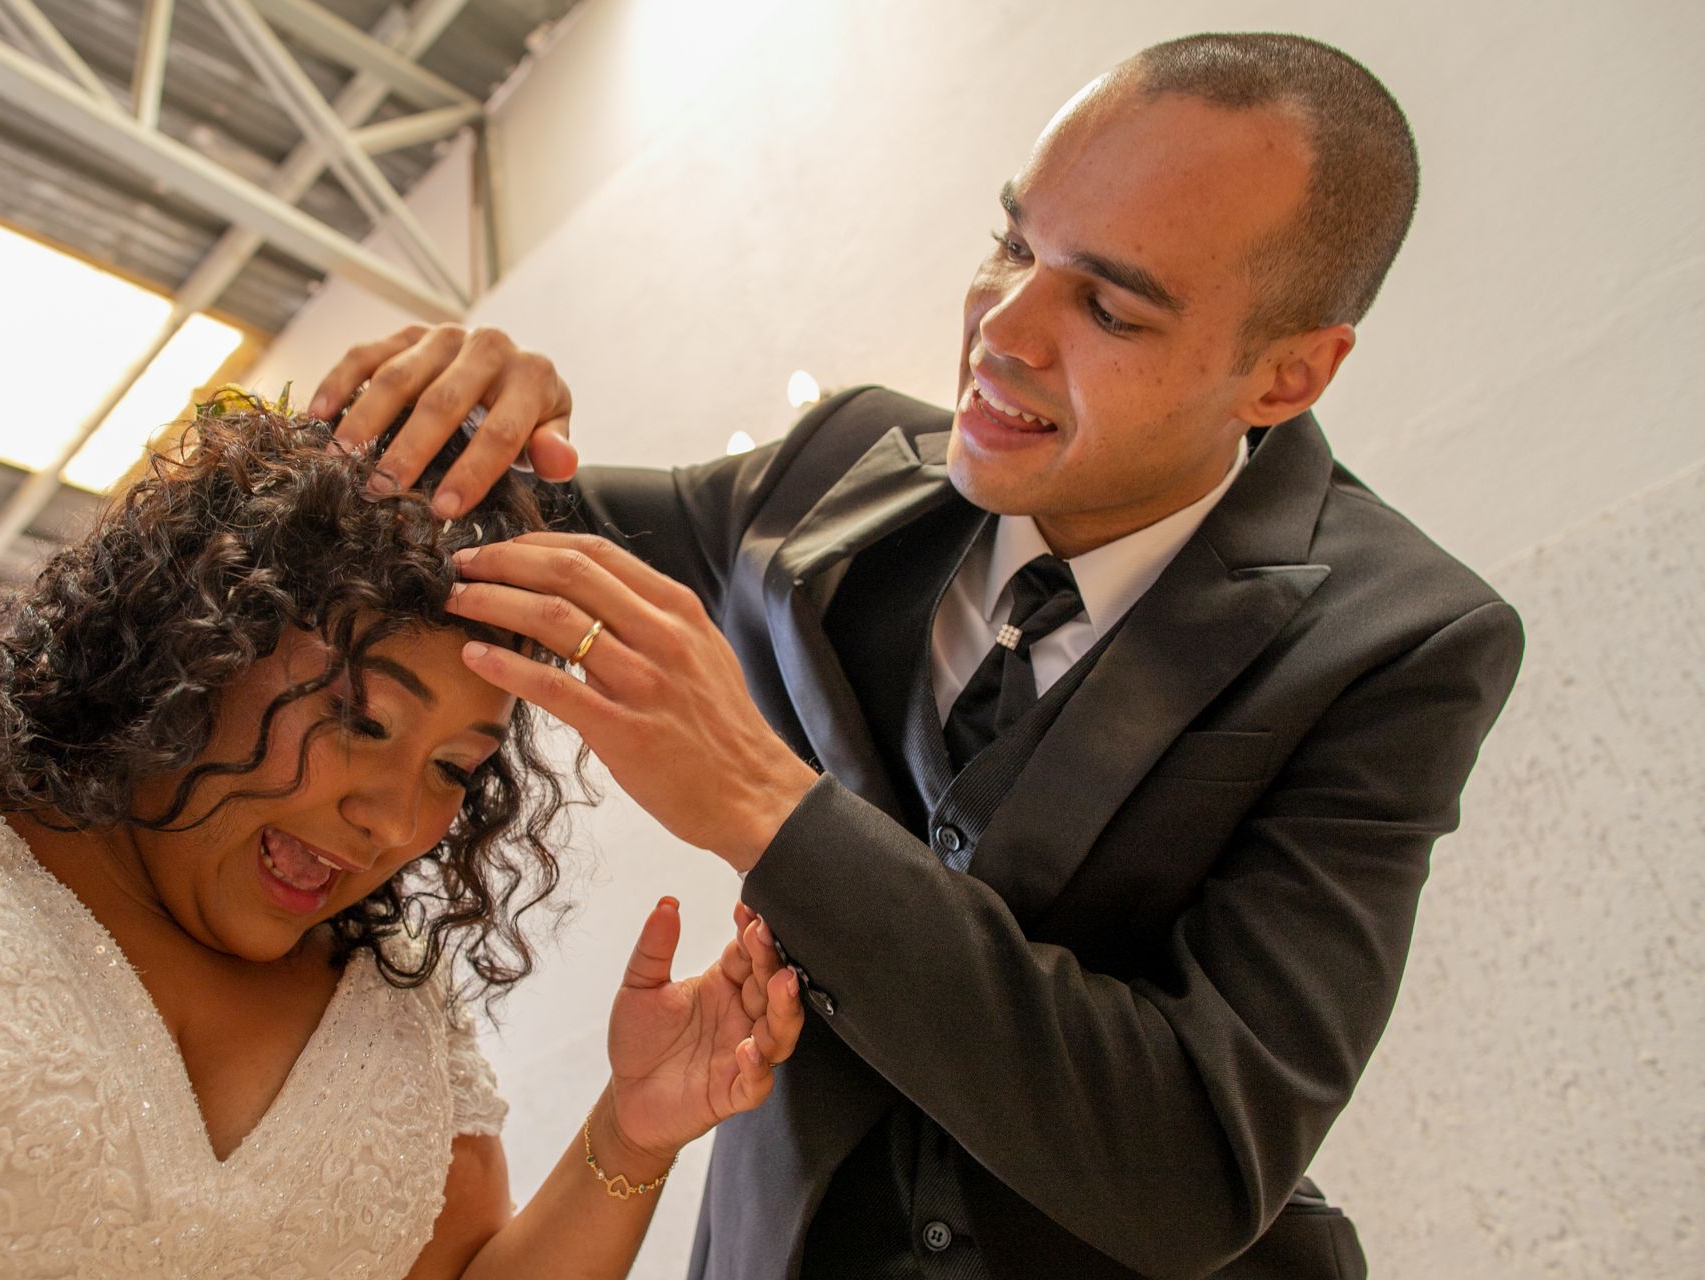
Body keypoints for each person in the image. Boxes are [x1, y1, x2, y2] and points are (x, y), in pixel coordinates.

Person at [309, 31, 1525, 1280]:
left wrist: (767, 809)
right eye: (1014, 243)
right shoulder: (834, 467)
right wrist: (449, 401)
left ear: (1288, 374)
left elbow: (1198, 1160)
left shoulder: (1401, 639)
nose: (1003, 328)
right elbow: (467, 526)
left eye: (1108, 307)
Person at [0, 390, 802, 1279]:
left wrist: (630, 1135)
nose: (395, 820)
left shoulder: (395, 1013)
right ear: (202, 636)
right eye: (361, 718)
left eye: (454, 769)